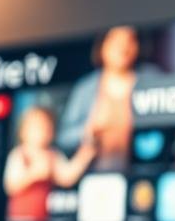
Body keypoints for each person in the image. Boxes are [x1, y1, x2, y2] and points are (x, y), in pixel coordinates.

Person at [57, 25, 156, 170]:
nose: (123, 47)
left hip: (143, 174)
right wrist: (88, 131)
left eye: (130, 40)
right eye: (116, 41)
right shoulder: (85, 89)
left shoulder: (152, 80)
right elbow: (63, 137)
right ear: (103, 46)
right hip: (95, 177)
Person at [3, 107, 96, 221]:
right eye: (36, 127)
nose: (41, 132)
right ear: (23, 131)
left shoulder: (52, 156)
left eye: (45, 127)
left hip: (44, 220)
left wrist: (84, 155)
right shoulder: (19, 154)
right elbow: (10, 186)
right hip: (20, 220)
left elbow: (67, 177)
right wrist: (33, 174)